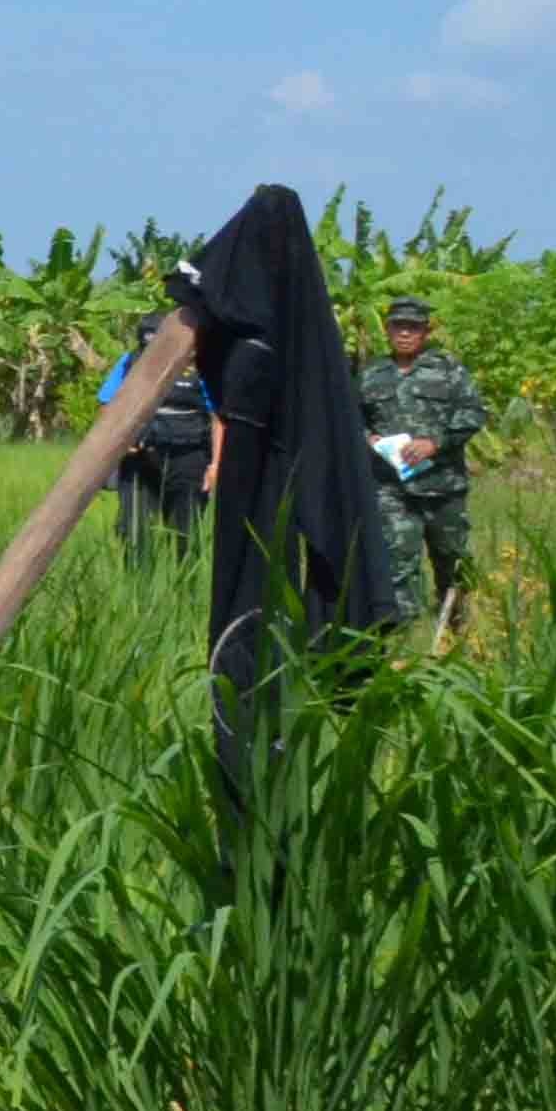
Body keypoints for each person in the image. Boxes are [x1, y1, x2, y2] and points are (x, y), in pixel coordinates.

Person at [181, 190, 403, 793]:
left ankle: (266, 774)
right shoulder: (280, 337)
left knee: (255, 624)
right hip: (250, 492)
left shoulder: (268, 343)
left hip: (264, 495)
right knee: (244, 632)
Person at [356, 297, 488, 633]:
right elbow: (351, 417)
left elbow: (473, 412)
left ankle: (456, 630)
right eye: (397, 326)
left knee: (452, 561)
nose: (404, 333)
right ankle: (403, 640)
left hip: (443, 486)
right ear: (387, 330)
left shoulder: (448, 369)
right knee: (397, 563)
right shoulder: (371, 373)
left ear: (426, 332)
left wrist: (435, 443)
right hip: (392, 488)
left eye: (412, 327)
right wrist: (368, 439)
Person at [97, 306, 213, 555]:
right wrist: (118, 442)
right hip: (137, 458)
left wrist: (215, 466)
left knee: (186, 534)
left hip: (189, 457)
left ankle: (184, 591)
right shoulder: (130, 362)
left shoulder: (203, 365)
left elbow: (217, 417)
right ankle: (137, 588)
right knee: (134, 532)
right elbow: (107, 403)